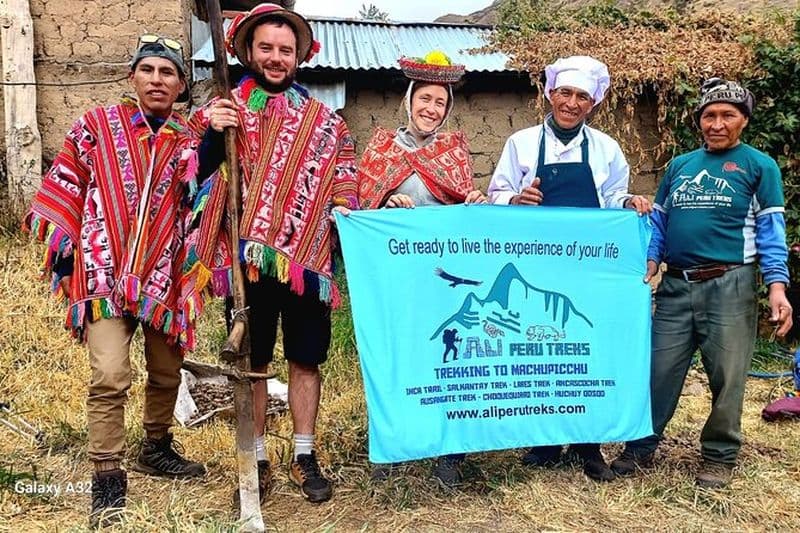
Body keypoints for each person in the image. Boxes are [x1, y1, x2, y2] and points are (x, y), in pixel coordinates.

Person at [24, 34, 205, 527]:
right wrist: (66, 256)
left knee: (168, 372)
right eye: (148, 70)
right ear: (132, 77)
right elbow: (65, 184)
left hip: (164, 275)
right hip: (102, 273)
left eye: (168, 73)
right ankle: (107, 478)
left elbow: (204, 201)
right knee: (109, 376)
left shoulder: (189, 142)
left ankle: (157, 447)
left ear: (182, 84)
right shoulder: (95, 127)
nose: (157, 80)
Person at [187, 2, 357, 504]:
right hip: (245, 265)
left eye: (286, 50)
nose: (277, 57)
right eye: (267, 48)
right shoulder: (224, 110)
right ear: (248, 51)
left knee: (306, 361)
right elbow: (192, 177)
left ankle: (305, 454)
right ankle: (256, 457)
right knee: (254, 361)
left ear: (299, 56)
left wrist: (346, 212)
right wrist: (211, 136)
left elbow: (344, 178)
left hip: (307, 263)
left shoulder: (327, 123)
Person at [609, 78, 793, 489]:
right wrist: (652, 258)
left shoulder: (759, 166)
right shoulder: (681, 166)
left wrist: (777, 286)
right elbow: (660, 220)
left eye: (728, 115)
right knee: (658, 369)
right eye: (709, 115)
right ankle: (641, 446)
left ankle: (719, 455)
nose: (717, 123)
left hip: (730, 284)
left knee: (728, 375)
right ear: (699, 121)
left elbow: (770, 232)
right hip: (675, 287)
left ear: (744, 120)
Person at [487, 55, 651, 482]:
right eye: (565, 93)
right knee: (542, 349)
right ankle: (544, 442)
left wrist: (630, 203)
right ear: (550, 93)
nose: (572, 102)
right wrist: (515, 199)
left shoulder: (606, 149)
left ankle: (587, 443)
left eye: (582, 96)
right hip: (535, 265)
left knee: (584, 351)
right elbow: (496, 194)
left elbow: (615, 198)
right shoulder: (520, 143)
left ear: (593, 103)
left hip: (586, 268)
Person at [356, 50, 486, 486]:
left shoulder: (454, 149)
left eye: (440, 104)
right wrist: (386, 202)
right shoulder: (381, 147)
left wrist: (473, 200)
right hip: (396, 277)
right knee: (395, 356)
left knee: (446, 357)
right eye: (425, 99)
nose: (431, 109)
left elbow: (463, 201)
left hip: (442, 278)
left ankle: (450, 451)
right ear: (409, 99)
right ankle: (391, 444)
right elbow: (361, 206)